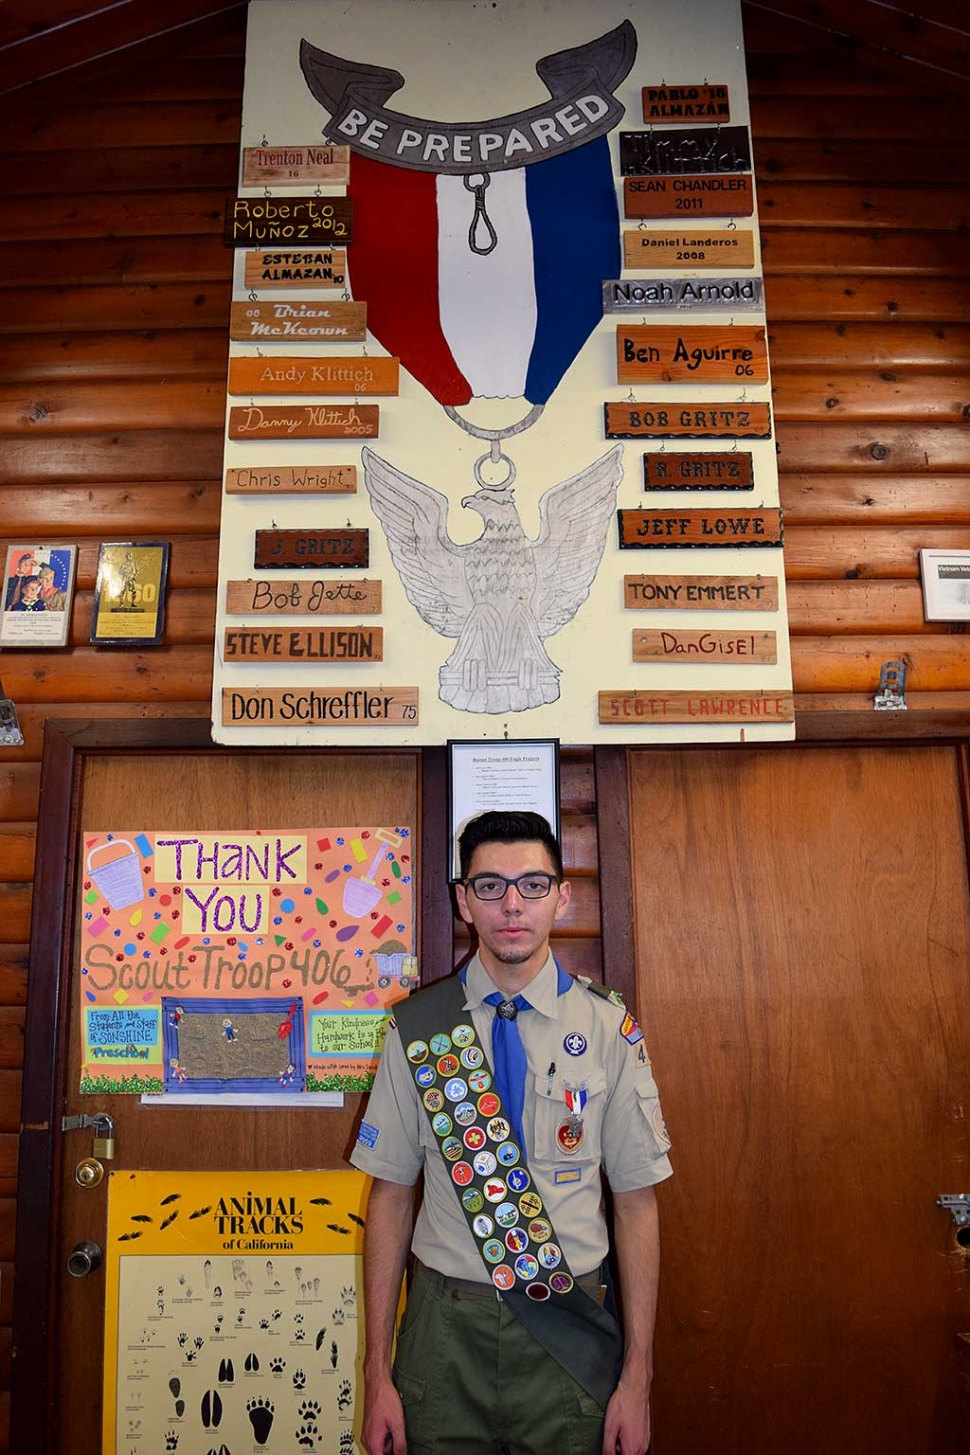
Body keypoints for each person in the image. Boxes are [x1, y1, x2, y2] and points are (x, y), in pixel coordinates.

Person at [351, 810, 672, 1455]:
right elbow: (389, 1198)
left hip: (567, 1329)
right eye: (490, 886)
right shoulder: (419, 1029)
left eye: (532, 883)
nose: (512, 905)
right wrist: (376, 1372)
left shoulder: (608, 1031)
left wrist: (637, 1378)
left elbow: (636, 1204)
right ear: (464, 901)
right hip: (443, 1333)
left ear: (562, 895)